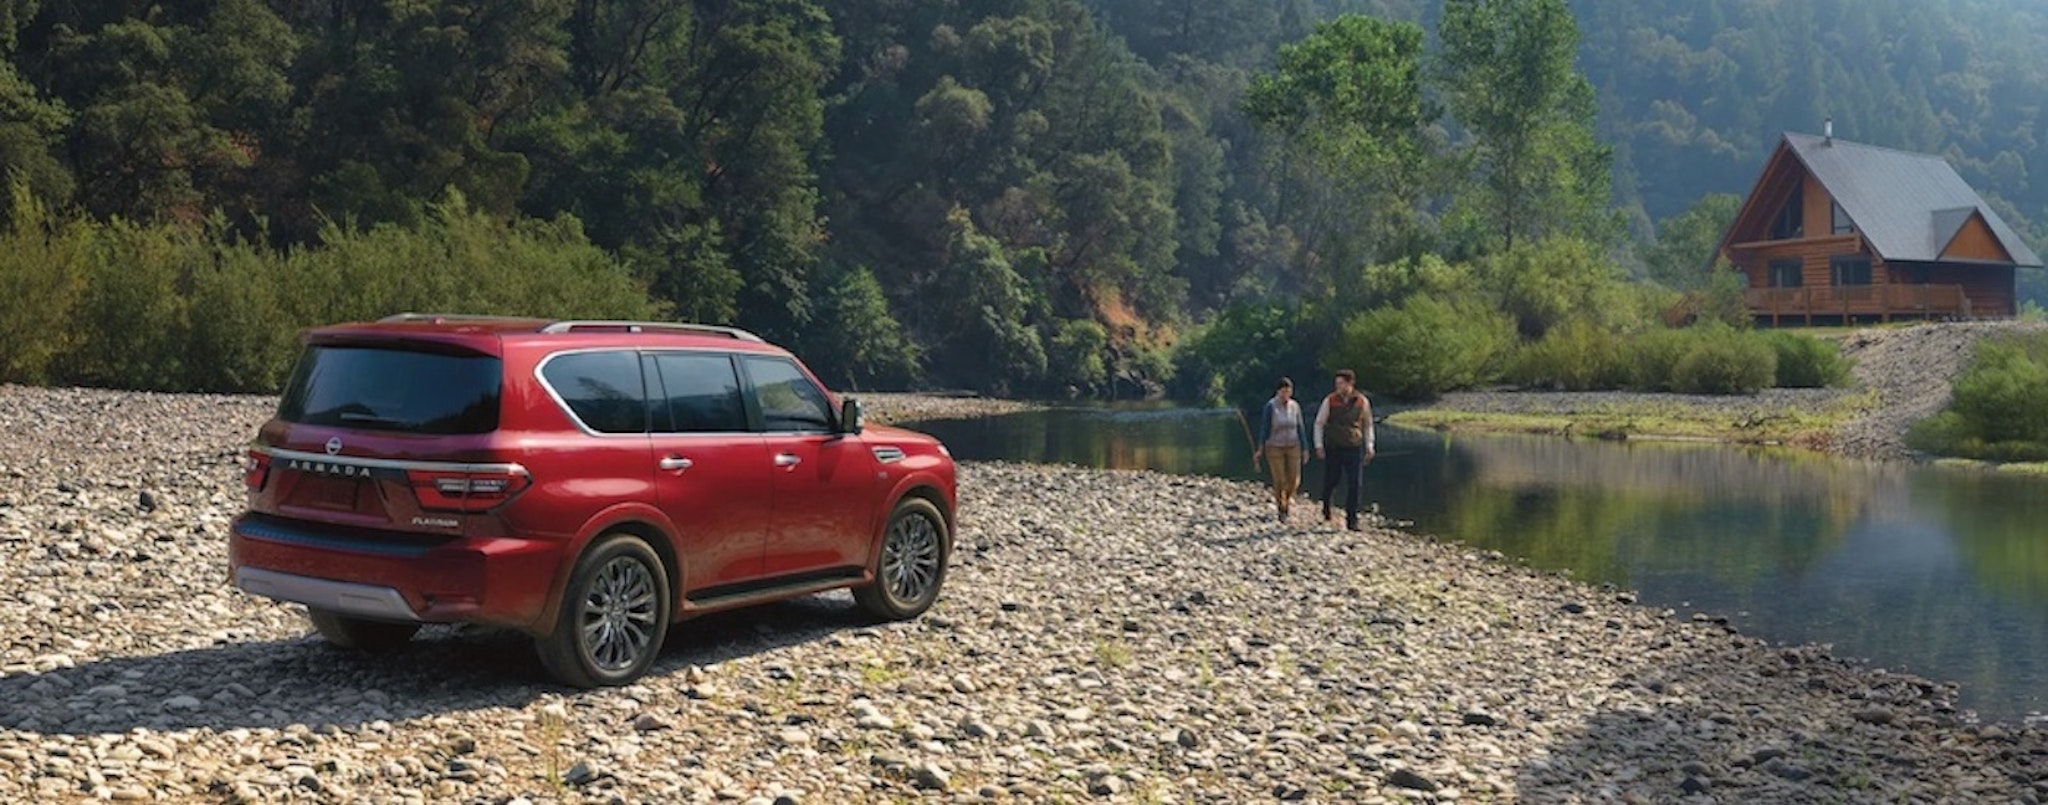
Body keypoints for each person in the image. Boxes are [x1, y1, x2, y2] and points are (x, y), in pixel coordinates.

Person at [1313, 369, 1375, 531]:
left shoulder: (1362, 401)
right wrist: (1318, 445)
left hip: (1354, 447)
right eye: (1336, 383)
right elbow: (1319, 423)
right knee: (1332, 480)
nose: (1338, 386)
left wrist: (1369, 445)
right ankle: (1326, 503)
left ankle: (1352, 520)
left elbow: (1368, 425)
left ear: (1350, 383)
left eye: (1340, 383)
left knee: (1355, 484)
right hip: (1334, 447)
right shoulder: (1330, 401)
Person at [1251, 378, 1309, 521]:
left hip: (1293, 445)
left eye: (1288, 392)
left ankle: (1287, 498)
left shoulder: (1295, 406)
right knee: (1279, 479)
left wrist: (1305, 448)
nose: (1286, 395)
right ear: (1278, 392)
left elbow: (1300, 427)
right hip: (1274, 446)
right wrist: (1260, 448)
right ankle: (1281, 507)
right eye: (1283, 392)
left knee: (1294, 479)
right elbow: (1265, 428)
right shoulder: (1270, 406)